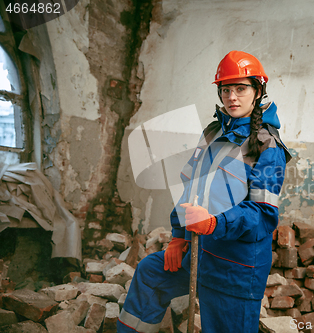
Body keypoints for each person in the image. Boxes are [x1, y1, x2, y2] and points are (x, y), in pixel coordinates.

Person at [117, 50, 291, 333]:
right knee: (151, 273)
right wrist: (179, 236)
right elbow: (192, 188)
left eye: (240, 88)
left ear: (258, 91)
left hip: (235, 269)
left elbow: (262, 215)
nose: (232, 97)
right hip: (200, 253)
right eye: (225, 89)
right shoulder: (212, 132)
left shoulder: (267, 146)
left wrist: (213, 223)